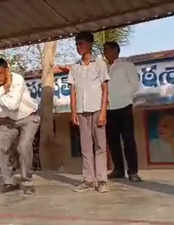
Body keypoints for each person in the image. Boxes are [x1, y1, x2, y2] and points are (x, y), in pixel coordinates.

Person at [0, 58, 40, 195]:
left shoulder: (18, 79)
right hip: (10, 120)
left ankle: (26, 181)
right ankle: (9, 181)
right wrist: (2, 89)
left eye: (0, 73)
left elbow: (13, 105)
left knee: (23, 146)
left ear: (7, 70)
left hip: (29, 117)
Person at [68, 32, 110, 193]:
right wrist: (73, 112)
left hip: (97, 109)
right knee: (85, 147)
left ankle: (102, 180)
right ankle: (88, 180)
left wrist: (103, 112)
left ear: (90, 44)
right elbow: (72, 91)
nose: (79, 47)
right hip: (81, 111)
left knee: (100, 146)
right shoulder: (74, 67)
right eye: (77, 44)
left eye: (81, 43)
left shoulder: (100, 64)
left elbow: (105, 89)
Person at [103, 41, 142, 182]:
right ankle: (118, 170)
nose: (105, 52)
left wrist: (124, 96)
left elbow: (135, 85)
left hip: (124, 106)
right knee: (113, 141)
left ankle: (133, 172)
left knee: (128, 140)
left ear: (116, 51)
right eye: (104, 50)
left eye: (107, 49)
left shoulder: (127, 65)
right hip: (108, 109)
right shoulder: (104, 68)